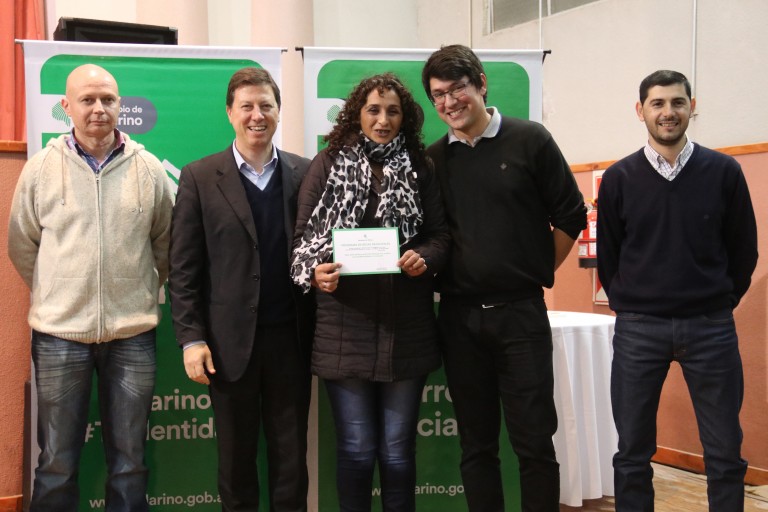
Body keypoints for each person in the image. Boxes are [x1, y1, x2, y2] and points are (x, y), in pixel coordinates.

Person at [421, 45, 587, 512]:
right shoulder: (434, 160)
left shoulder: (530, 139)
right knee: (476, 445)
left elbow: (571, 214)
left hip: (521, 316)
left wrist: (537, 267)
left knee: (534, 443)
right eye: (438, 95)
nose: (449, 102)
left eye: (457, 89)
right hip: (459, 320)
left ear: (481, 83)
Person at [7, 63, 173, 512]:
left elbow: (166, 244)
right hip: (59, 336)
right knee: (56, 462)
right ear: (67, 106)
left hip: (132, 335)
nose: (99, 108)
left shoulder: (149, 169)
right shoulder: (41, 169)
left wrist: (136, 290)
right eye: (87, 100)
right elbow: (22, 245)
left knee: (130, 462)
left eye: (108, 99)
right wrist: (59, 292)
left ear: (120, 105)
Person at [597, 70, 758, 512]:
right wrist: (631, 304)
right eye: (658, 103)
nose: (668, 112)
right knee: (632, 452)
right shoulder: (618, 178)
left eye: (677, 102)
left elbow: (743, 249)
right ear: (641, 111)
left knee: (724, 452)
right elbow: (609, 256)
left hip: (710, 328)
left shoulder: (724, 171)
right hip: (639, 329)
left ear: (692, 107)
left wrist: (719, 301)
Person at [291, 73, 449, 512]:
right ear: (356, 114)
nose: (383, 120)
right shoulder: (326, 164)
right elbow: (303, 241)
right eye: (374, 110)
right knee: (357, 452)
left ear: (405, 117)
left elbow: (440, 237)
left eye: (392, 111)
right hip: (344, 330)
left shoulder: (420, 167)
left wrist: (424, 257)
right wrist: (317, 274)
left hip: (407, 330)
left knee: (398, 455)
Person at [168, 67, 313, 512]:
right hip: (227, 346)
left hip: (292, 340)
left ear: (279, 111)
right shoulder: (198, 177)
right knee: (235, 461)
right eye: (246, 106)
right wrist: (191, 338)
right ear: (230, 113)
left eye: (266, 105)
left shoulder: (305, 172)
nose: (257, 115)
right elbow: (183, 269)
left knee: (292, 461)